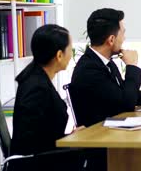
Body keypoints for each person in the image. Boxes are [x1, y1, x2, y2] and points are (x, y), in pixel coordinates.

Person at [70, 8, 141, 127]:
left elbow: (126, 94)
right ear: (111, 39)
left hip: (112, 132)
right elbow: (127, 104)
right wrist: (131, 66)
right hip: (100, 138)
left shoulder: (103, 62)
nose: (124, 38)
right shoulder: (89, 69)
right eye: (123, 33)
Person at [10, 24, 85, 171]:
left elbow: (41, 133)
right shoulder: (36, 87)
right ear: (59, 55)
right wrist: (69, 141)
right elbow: (29, 141)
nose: (71, 55)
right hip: (37, 164)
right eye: (70, 50)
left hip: (42, 158)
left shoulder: (37, 78)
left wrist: (68, 137)